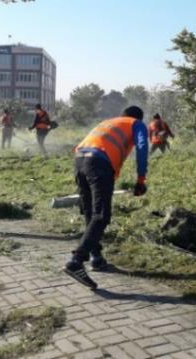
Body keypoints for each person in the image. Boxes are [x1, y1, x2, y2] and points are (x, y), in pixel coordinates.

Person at [64, 106, 149, 289]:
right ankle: (76, 261)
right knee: (102, 214)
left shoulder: (107, 122)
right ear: (138, 118)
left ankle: (97, 258)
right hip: (99, 163)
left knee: (90, 213)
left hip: (79, 161)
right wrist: (141, 179)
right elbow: (142, 148)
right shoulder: (137, 124)